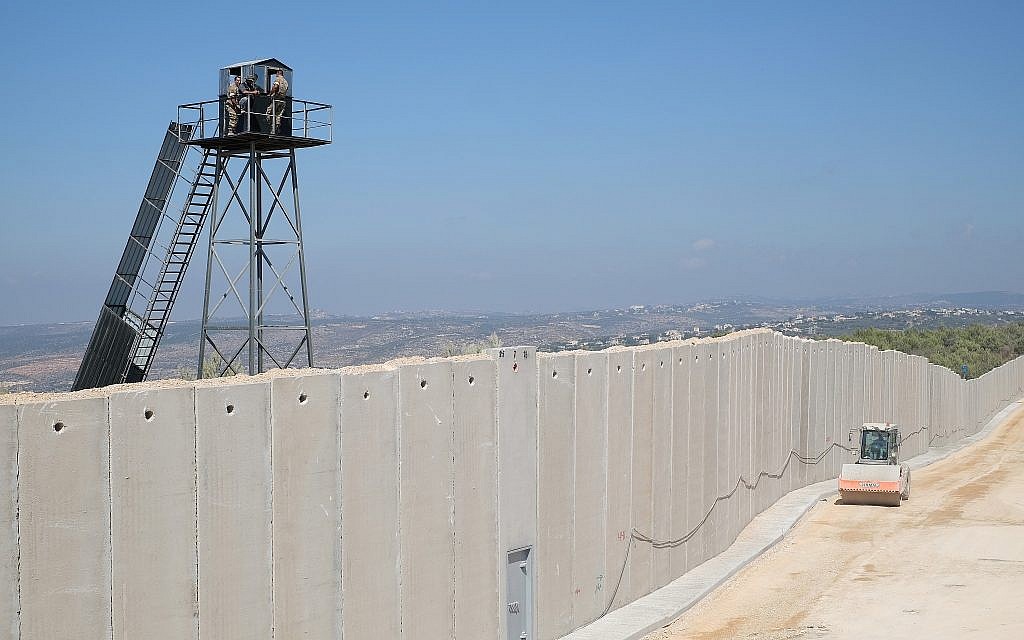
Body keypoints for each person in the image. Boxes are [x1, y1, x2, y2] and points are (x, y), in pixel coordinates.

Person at [265, 70, 289, 135]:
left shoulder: (278, 79)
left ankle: (271, 128)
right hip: (283, 101)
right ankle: (277, 129)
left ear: (278, 73)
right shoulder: (286, 81)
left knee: (269, 113)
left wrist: (270, 94)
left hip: (276, 99)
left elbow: (275, 87)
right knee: (278, 116)